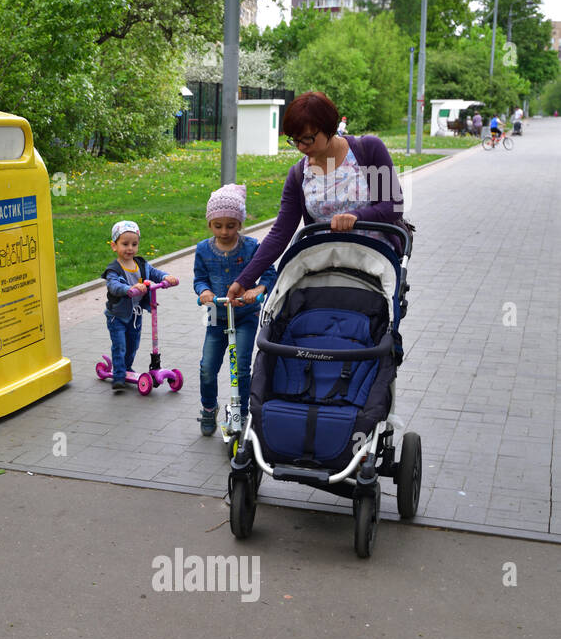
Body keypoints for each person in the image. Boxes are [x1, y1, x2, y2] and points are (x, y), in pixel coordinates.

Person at [226, 91, 409, 305]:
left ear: (329, 129)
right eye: (295, 141)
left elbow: (394, 206)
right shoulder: (298, 175)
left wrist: (356, 216)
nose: (302, 147)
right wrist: (245, 279)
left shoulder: (367, 149)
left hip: (374, 264)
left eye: (308, 139)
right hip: (322, 265)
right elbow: (280, 232)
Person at [194, 184, 277, 435]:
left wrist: (258, 290)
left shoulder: (252, 247)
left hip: (243, 317)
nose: (224, 231)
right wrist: (203, 292)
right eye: (218, 226)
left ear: (240, 223)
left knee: (240, 367)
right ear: (210, 224)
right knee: (207, 367)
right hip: (215, 317)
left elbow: (269, 274)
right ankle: (209, 408)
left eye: (231, 225)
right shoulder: (202, 249)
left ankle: (240, 412)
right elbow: (199, 279)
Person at [103, 219, 179, 392]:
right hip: (117, 316)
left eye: (134, 244)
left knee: (133, 344)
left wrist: (166, 277)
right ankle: (119, 376)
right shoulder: (114, 269)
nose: (130, 248)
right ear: (114, 246)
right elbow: (113, 285)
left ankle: (126, 368)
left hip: (135, 314)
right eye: (125, 244)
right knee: (120, 345)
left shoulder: (141, 264)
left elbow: (155, 273)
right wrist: (128, 289)